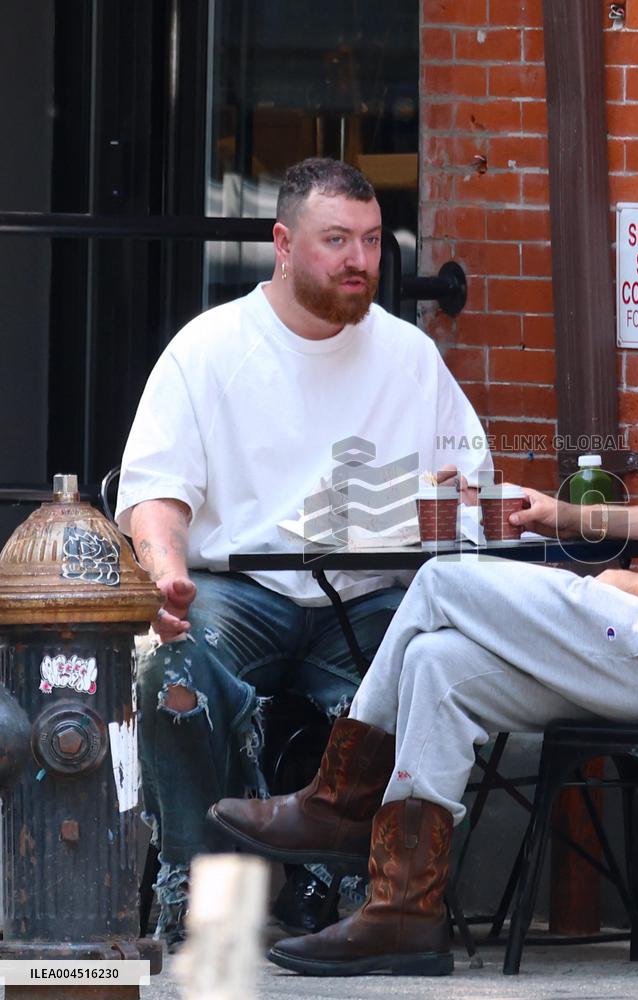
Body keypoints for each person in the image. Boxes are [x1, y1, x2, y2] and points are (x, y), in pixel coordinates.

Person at [209, 189, 638, 977]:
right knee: (437, 665)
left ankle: (338, 802)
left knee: (446, 580)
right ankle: (403, 912)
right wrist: (572, 519)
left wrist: (603, 585)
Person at [115, 157, 491, 948]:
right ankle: (199, 883)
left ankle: (349, 887)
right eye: (335, 241)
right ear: (283, 244)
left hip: (367, 594)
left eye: (369, 241)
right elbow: (156, 490)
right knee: (168, 671)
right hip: (235, 589)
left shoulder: (409, 357)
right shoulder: (210, 348)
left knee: (430, 660)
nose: (358, 260)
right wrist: (168, 572)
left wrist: (456, 500)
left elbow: (472, 493)